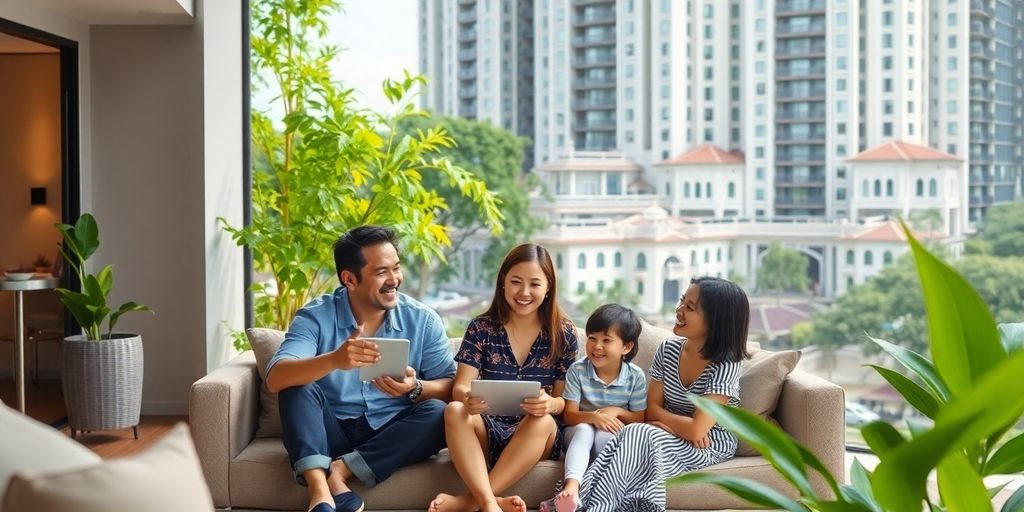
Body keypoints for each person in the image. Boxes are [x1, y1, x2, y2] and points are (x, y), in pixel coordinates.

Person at [265, 226, 456, 512]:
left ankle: (339, 472)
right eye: (382, 272)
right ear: (349, 279)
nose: (394, 280)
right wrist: (333, 360)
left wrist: (416, 388)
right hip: (330, 432)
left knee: (440, 413)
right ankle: (320, 493)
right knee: (296, 387)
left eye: (397, 268)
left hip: (390, 433)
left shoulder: (423, 320)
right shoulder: (315, 317)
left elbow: (452, 386)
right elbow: (276, 377)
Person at [576, 276, 750, 512]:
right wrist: (671, 424)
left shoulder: (726, 364)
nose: (678, 310)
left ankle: (588, 503)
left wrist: (666, 423)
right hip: (664, 433)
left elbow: (698, 430)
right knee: (636, 433)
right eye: (682, 301)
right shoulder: (668, 350)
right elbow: (652, 409)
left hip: (709, 444)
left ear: (716, 321)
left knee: (638, 432)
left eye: (689, 307)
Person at [429, 243, 579, 512]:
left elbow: (565, 402)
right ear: (503, 284)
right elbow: (460, 387)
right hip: (486, 428)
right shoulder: (481, 328)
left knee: (543, 420)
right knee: (454, 410)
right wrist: (467, 398)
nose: (524, 292)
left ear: (548, 289)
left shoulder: (564, 334)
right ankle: (490, 503)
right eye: (516, 282)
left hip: (534, 436)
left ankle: (470, 502)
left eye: (534, 284)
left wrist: (550, 404)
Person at [540, 304, 648, 512]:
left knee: (604, 437)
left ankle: (573, 500)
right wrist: (594, 418)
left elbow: (638, 419)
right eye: (592, 338)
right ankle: (571, 487)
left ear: (626, 347)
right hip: (577, 430)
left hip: (608, 434)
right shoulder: (578, 370)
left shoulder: (635, 376)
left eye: (606, 340)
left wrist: (617, 411)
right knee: (585, 430)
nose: (597, 346)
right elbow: (569, 416)